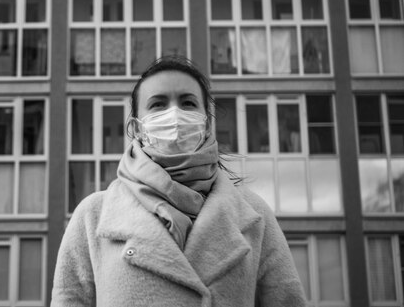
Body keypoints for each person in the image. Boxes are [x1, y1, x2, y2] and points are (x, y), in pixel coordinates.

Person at [51, 56, 307, 306]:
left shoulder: (254, 215)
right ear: (136, 127)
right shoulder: (92, 216)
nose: (174, 114)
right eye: (158, 104)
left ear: (207, 124)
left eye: (187, 103)